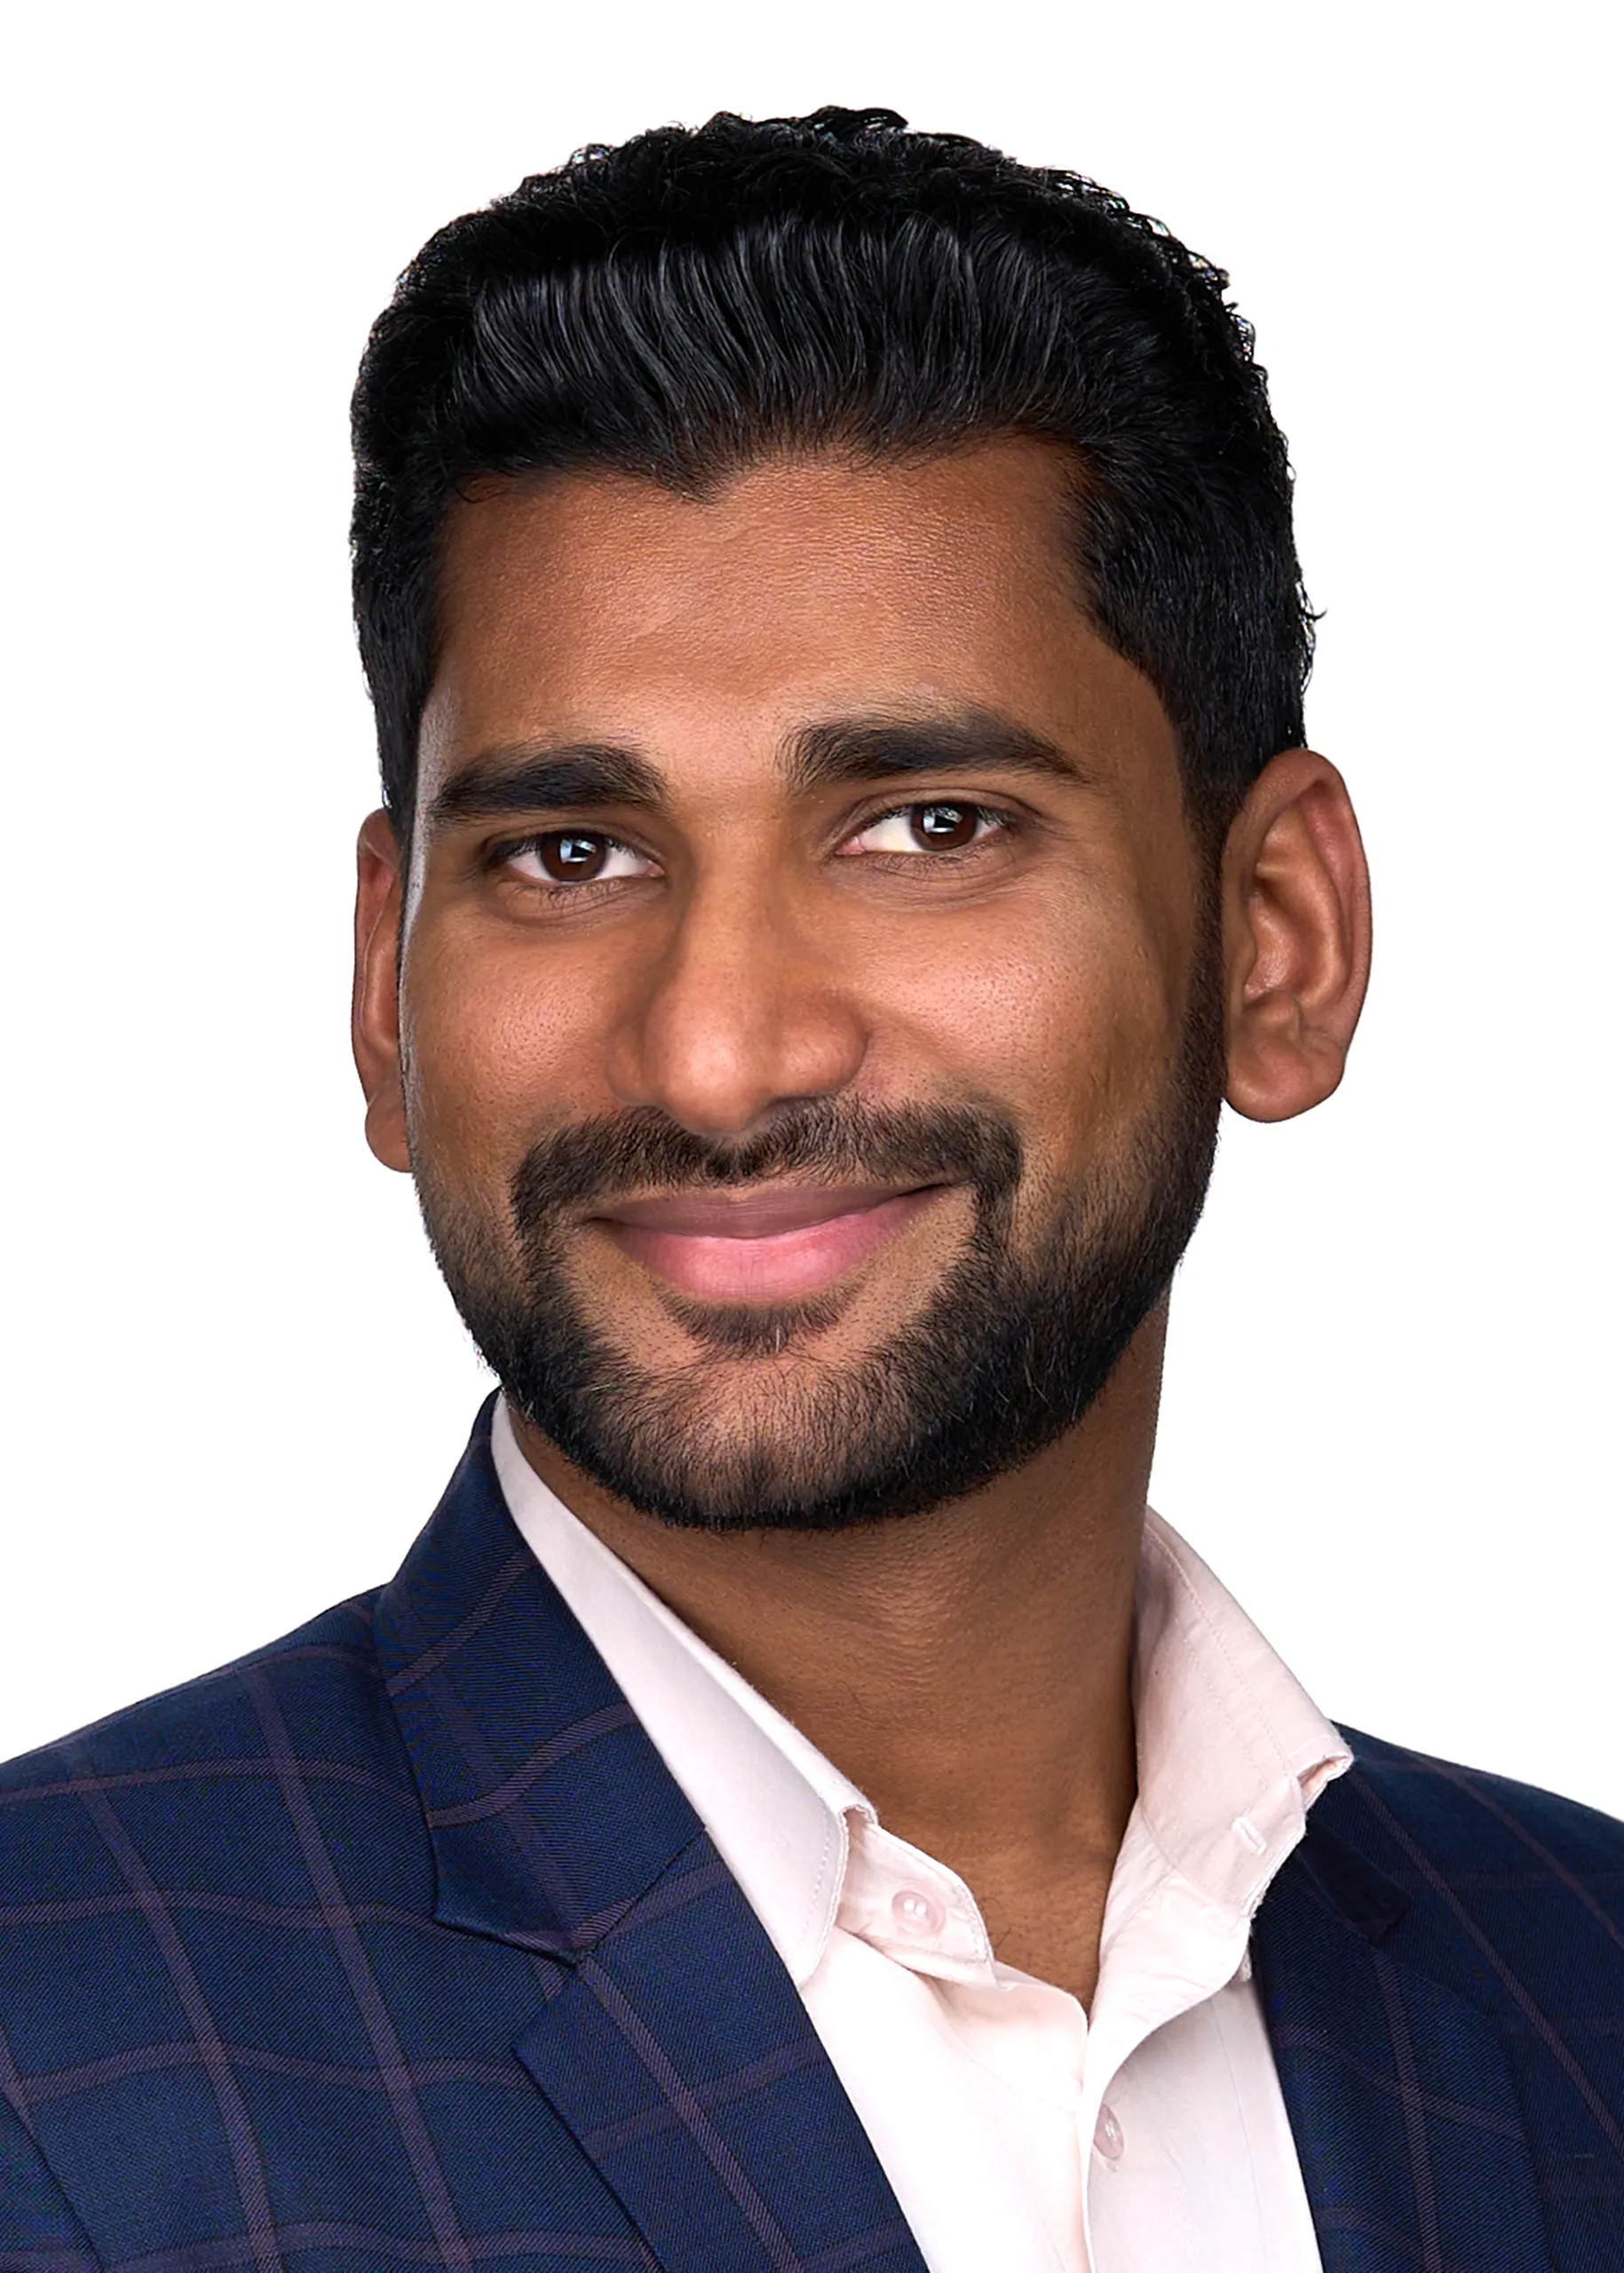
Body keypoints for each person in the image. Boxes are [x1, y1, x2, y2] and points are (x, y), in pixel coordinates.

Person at [0, 102, 1617, 2273]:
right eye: (565, 855)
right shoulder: (55, 2043)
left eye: (924, 825)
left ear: (1273, 939)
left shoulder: (1574, 1997)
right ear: (384, 988)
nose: (717, 1046)